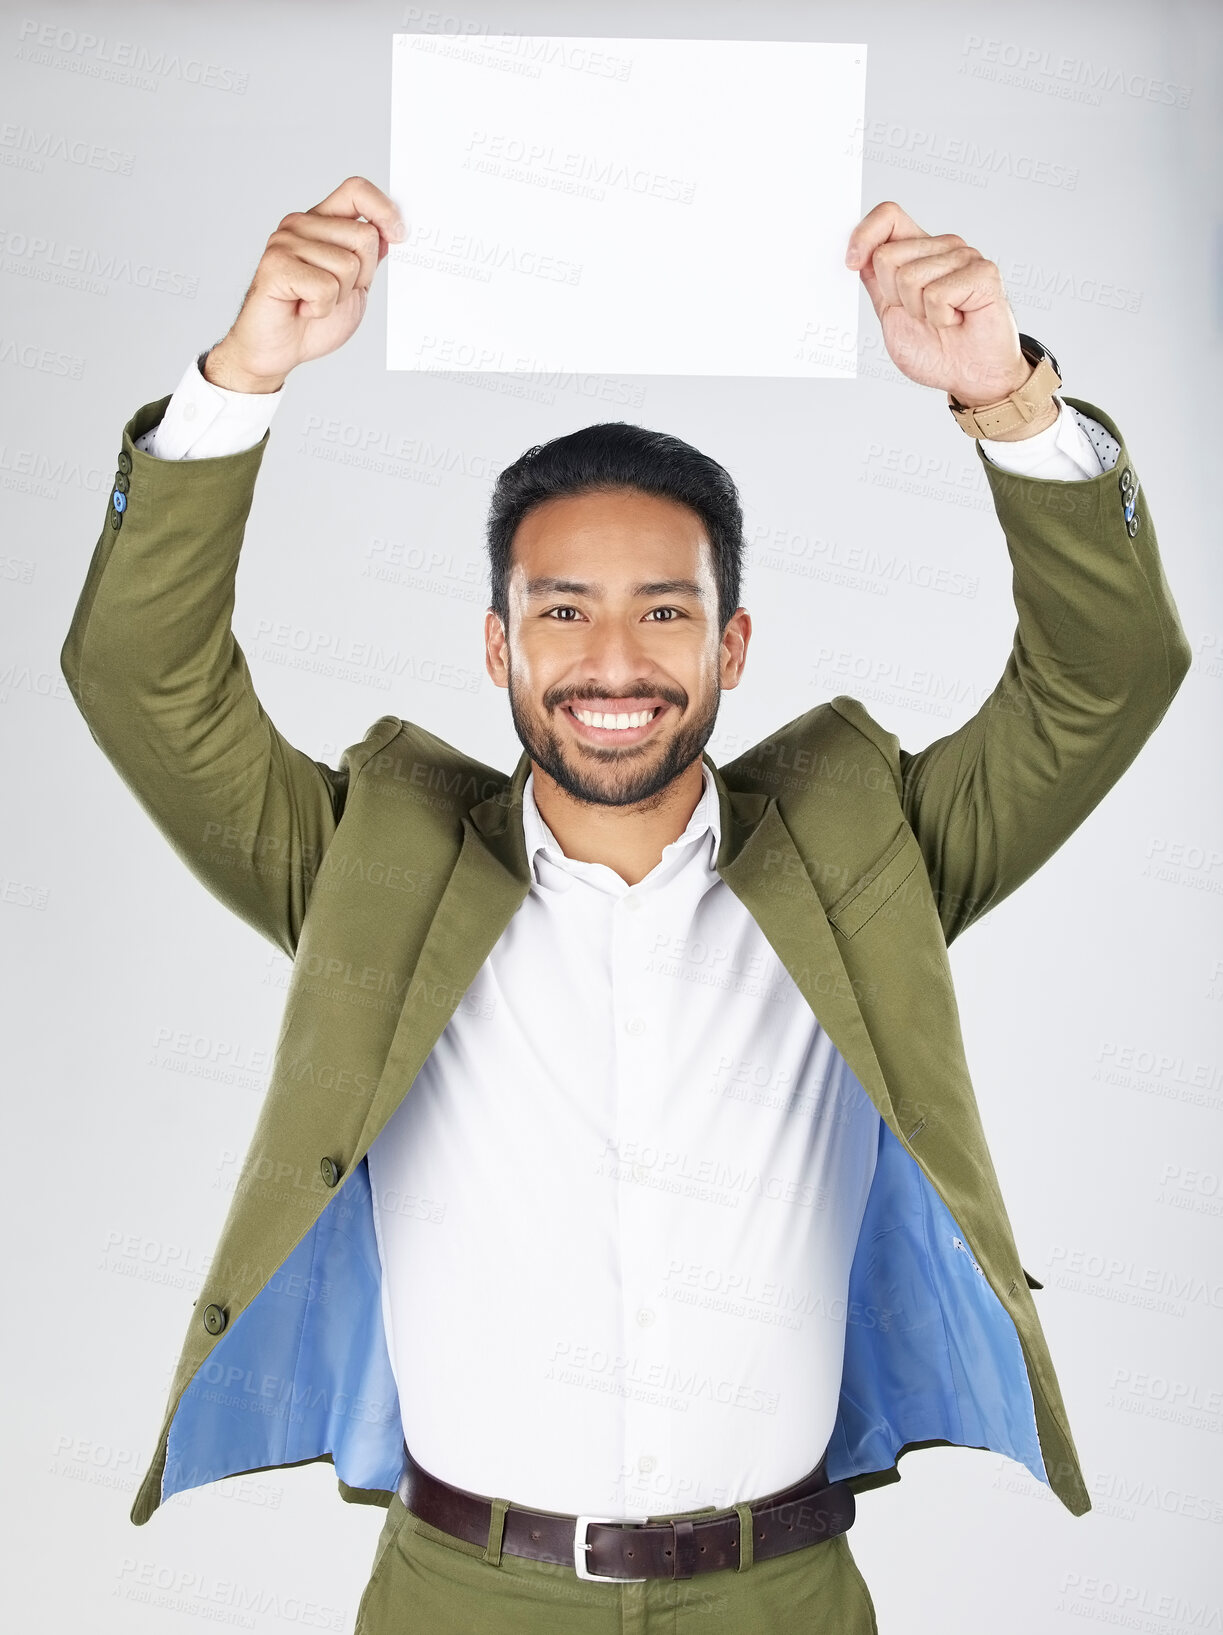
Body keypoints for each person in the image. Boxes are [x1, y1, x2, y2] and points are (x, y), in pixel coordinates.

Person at [61, 176, 1190, 1634]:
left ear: (730, 640)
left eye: (664, 610)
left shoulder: (869, 862)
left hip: (777, 1599)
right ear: (495, 642)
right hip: (464, 1597)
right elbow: (145, 685)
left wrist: (1006, 399)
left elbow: (1105, 681)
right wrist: (244, 379)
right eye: (560, 609)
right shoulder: (368, 875)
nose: (613, 660)